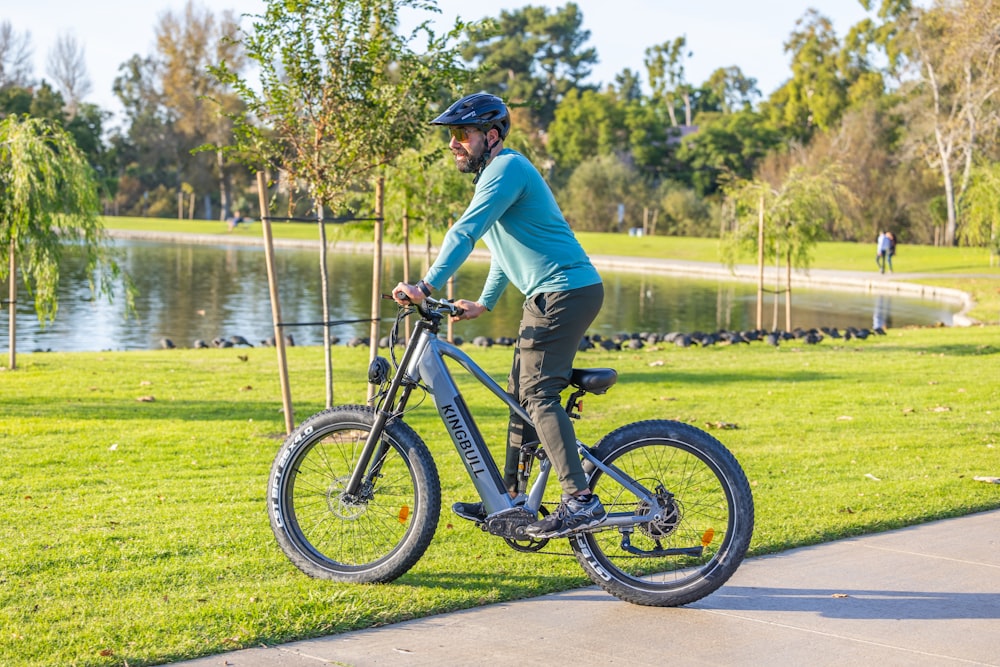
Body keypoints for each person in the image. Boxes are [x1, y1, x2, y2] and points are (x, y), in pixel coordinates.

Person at [391, 92, 606, 539]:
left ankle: (580, 501)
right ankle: (510, 501)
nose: (453, 144)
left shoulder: (507, 169)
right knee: (518, 396)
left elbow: (466, 231)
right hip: (552, 293)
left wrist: (425, 287)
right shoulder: (500, 174)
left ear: (491, 136)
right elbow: (504, 252)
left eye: (460, 135)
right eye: (451, 136)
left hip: (564, 292)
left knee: (538, 394)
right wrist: (485, 303)